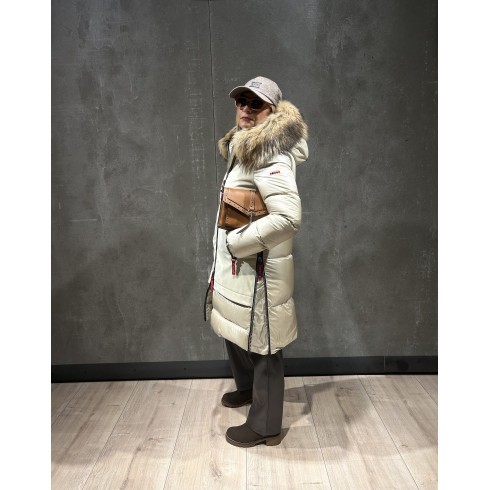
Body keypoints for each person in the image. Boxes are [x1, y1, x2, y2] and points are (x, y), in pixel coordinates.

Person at [204, 76, 308, 447]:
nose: (246, 109)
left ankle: (266, 426)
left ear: (272, 111)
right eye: (241, 101)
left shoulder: (270, 152)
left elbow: (288, 218)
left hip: (260, 267)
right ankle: (248, 389)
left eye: (256, 103)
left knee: (266, 342)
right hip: (241, 266)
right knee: (234, 324)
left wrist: (236, 244)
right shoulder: (244, 146)